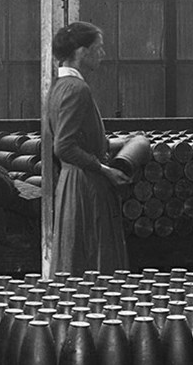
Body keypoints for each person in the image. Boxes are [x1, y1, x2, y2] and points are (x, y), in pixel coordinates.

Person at [43, 21, 130, 272]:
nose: (102, 54)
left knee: (78, 256)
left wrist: (117, 143)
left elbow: (74, 139)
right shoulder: (76, 89)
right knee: (93, 257)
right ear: (82, 52)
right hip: (85, 185)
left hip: (74, 181)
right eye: (98, 48)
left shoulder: (58, 86)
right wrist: (105, 169)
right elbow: (65, 146)